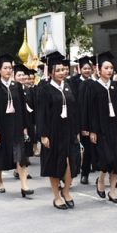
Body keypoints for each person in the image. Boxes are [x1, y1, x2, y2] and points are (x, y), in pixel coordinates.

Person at [0, 54, 33, 197]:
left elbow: (22, 108)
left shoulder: (17, 86)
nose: (8, 70)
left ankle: (24, 186)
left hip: (16, 126)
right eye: (5, 68)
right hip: (1, 127)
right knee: (0, 155)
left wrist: (24, 126)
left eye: (10, 68)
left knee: (20, 155)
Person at [37, 51, 80, 210]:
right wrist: (43, 135)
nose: (62, 73)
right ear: (51, 72)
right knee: (55, 165)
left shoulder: (69, 87)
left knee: (70, 163)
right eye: (58, 70)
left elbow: (75, 110)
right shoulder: (45, 90)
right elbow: (40, 114)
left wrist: (76, 130)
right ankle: (57, 196)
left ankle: (66, 191)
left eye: (64, 70)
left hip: (68, 132)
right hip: (53, 133)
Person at [87, 51, 117, 204]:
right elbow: (90, 110)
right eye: (106, 68)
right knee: (106, 158)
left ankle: (112, 191)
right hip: (101, 128)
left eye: (111, 68)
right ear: (99, 69)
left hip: (116, 127)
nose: (109, 71)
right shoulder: (93, 87)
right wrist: (92, 130)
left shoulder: (116, 87)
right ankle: (101, 179)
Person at [77, 56, 95, 185]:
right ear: (80, 69)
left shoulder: (95, 83)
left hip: (96, 122)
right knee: (87, 149)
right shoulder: (74, 83)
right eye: (85, 68)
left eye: (89, 68)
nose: (87, 70)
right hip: (83, 122)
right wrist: (82, 126)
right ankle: (84, 174)